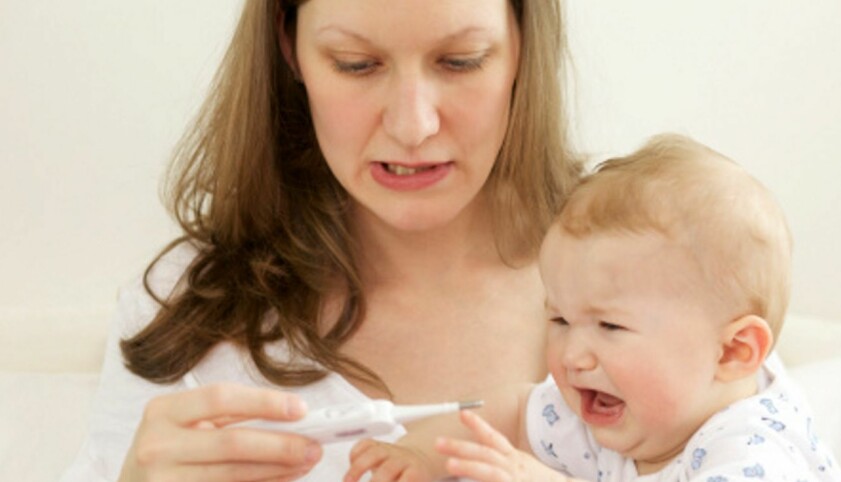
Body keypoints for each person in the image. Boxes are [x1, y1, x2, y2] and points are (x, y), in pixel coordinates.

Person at [61, 0, 582, 480]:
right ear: (290, 49)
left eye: (461, 60)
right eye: (356, 63)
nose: (412, 126)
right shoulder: (186, 317)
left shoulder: (646, 269)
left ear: (523, 48)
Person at [345, 134, 841, 481]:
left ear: (733, 351)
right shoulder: (624, 416)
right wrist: (418, 455)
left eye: (609, 325)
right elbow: (514, 412)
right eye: (560, 320)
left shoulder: (753, 449)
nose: (571, 355)